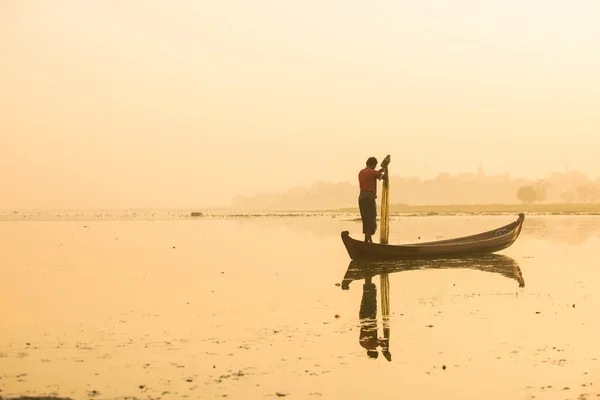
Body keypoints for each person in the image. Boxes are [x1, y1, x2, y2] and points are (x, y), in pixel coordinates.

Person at [358, 156, 387, 243]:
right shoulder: (372, 172)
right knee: (371, 217)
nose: (375, 167)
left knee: (365, 218)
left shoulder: (361, 172)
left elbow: (370, 176)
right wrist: (385, 168)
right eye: (375, 166)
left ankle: (367, 239)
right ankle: (367, 240)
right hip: (369, 197)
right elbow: (384, 177)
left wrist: (378, 171)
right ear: (373, 164)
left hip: (361, 197)